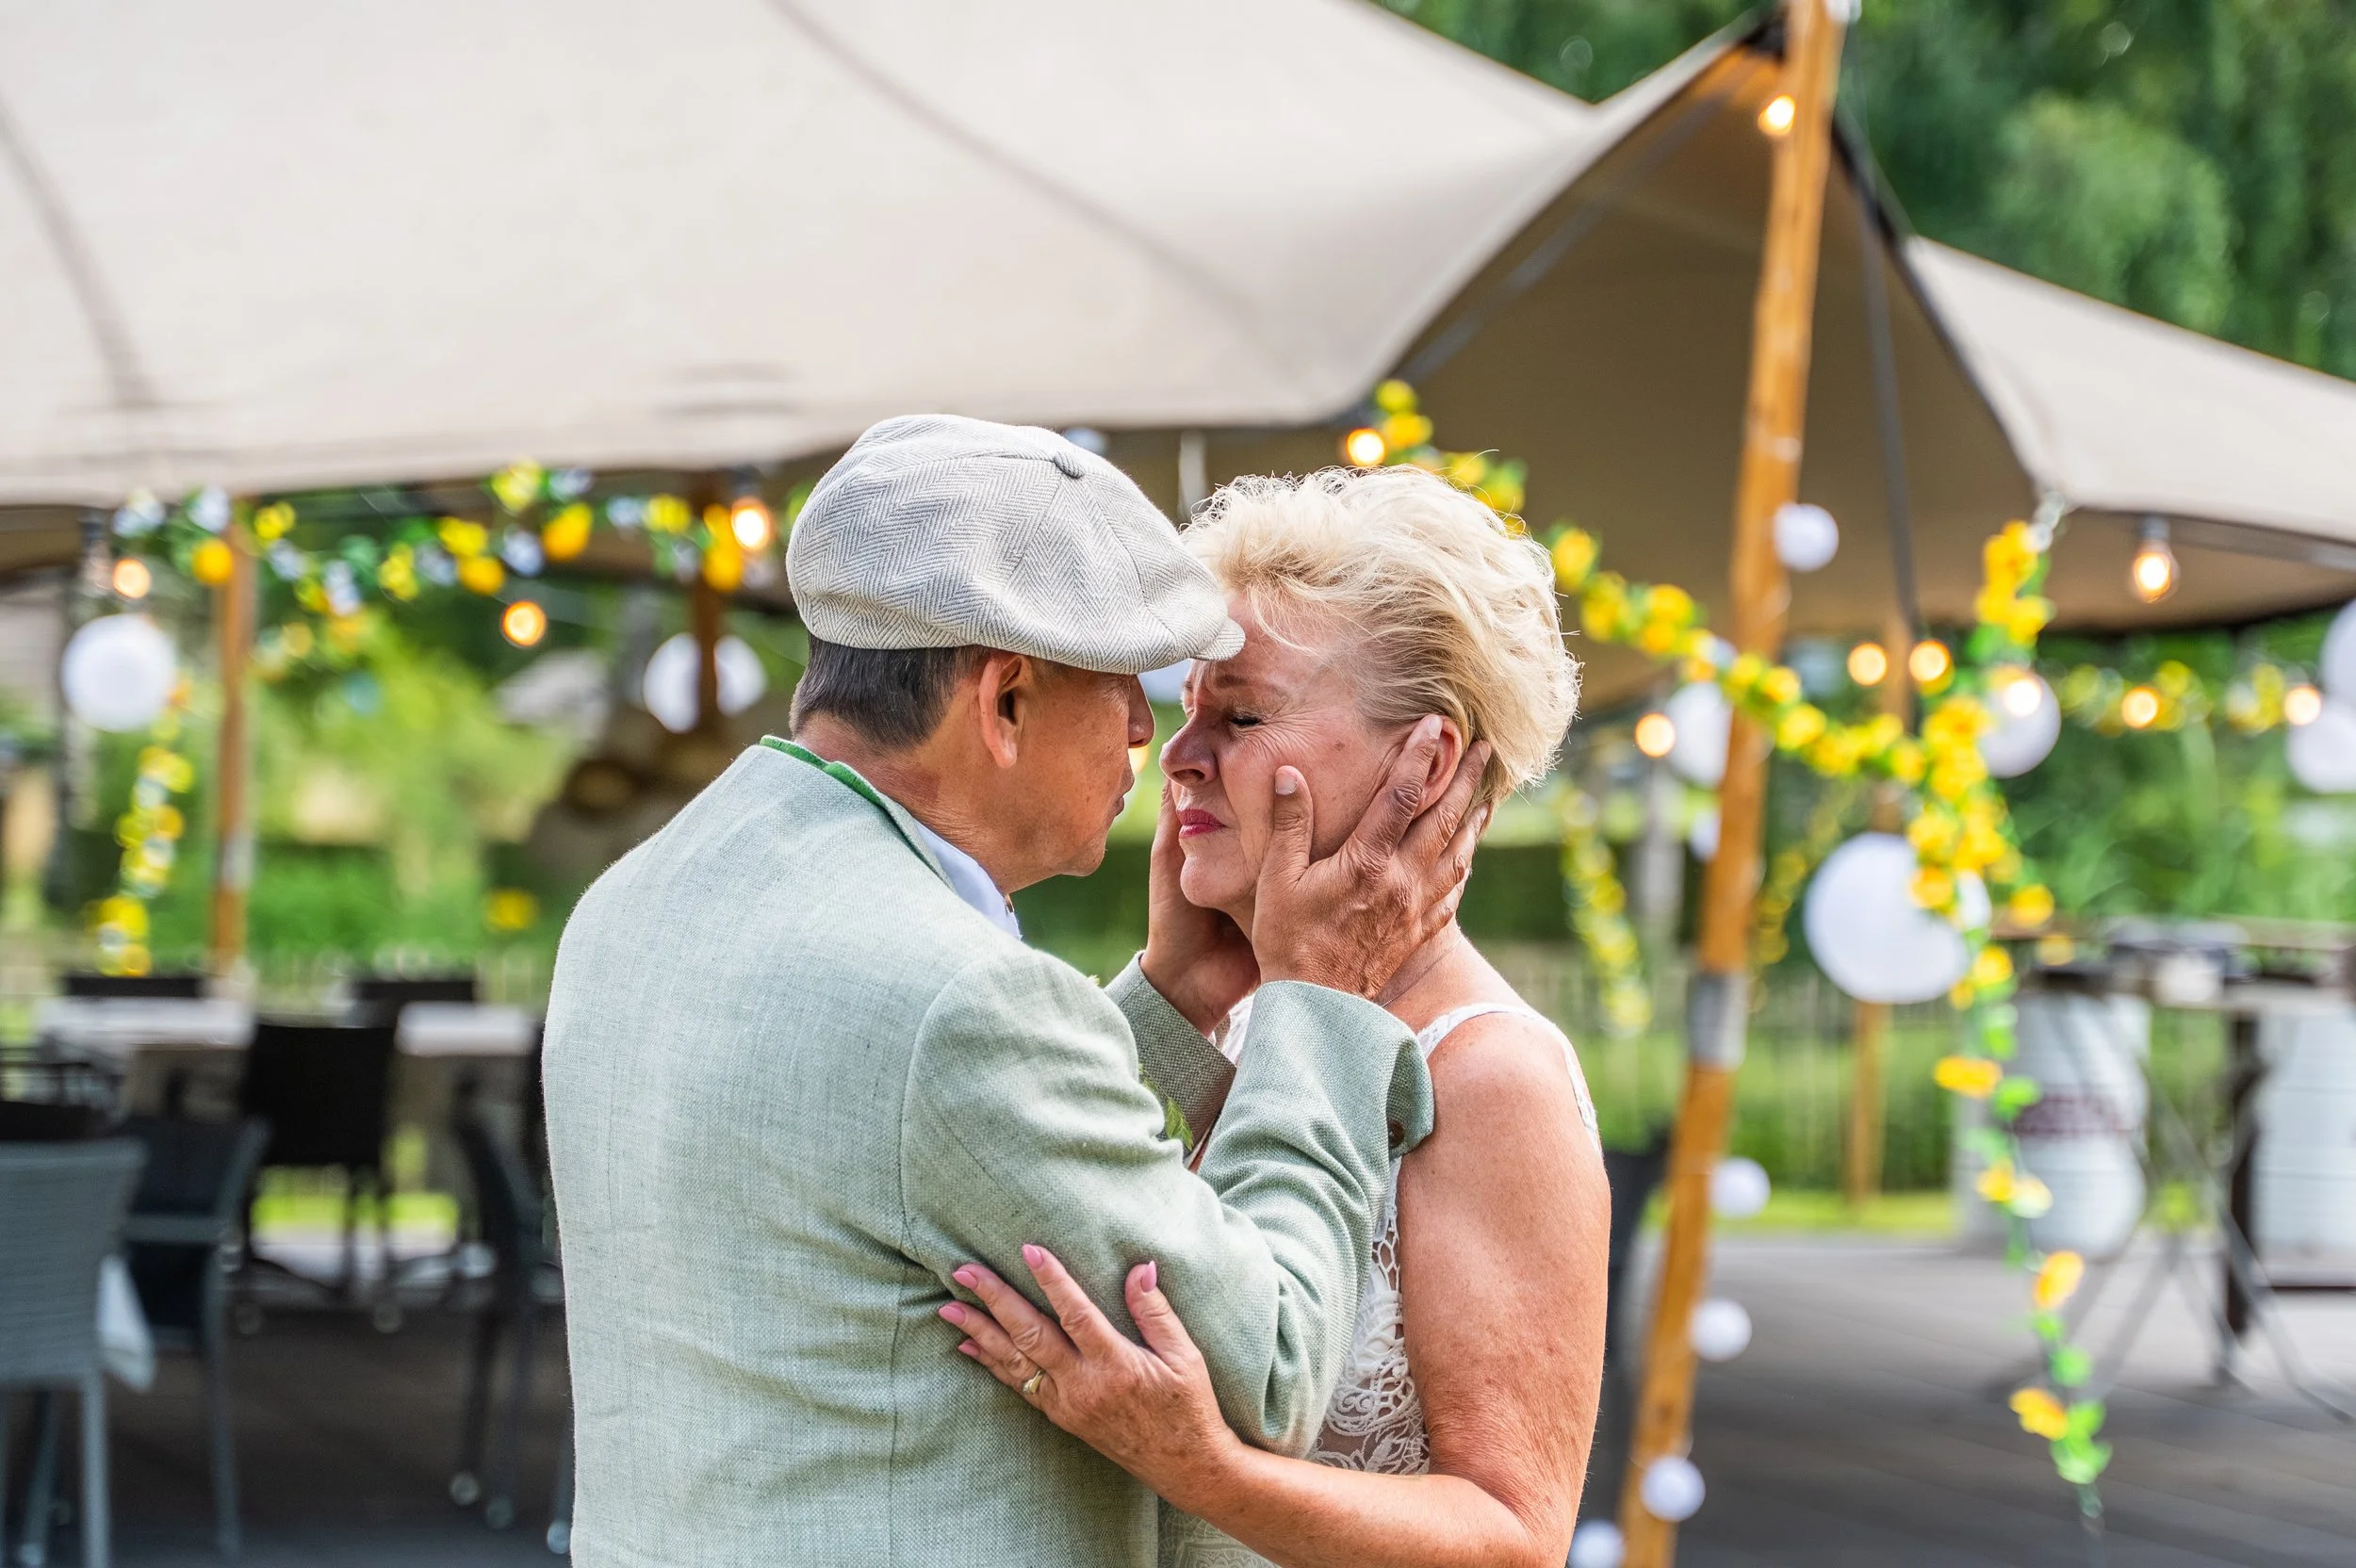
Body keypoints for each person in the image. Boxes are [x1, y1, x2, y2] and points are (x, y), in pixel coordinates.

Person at [541, 417, 1490, 1568]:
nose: (1153, 738)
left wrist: (1175, 995)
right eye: (1129, 689)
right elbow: (1271, 1365)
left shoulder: (635, 901)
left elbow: (918, 1155)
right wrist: (1321, 1000)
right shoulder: (954, 1001)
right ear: (1004, 701)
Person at [945, 464, 1611, 1568]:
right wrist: (1178, 996)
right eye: (1188, 708)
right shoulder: (1254, 1019)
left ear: (1426, 761)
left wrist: (1200, 1467)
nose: (1180, 754)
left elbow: (1512, 1536)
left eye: (1243, 714)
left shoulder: (1493, 1078)